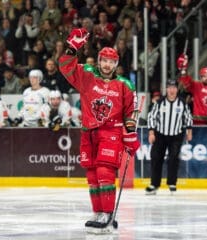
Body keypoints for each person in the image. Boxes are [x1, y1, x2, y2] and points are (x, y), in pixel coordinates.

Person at [59, 28, 140, 233]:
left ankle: (108, 213)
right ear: (99, 60)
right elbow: (65, 68)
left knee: (105, 171)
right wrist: (72, 49)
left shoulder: (125, 84)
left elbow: (132, 111)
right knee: (92, 175)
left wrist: (130, 134)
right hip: (89, 132)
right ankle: (98, 212)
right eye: (104, 60)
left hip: (111, 133)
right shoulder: (86, 74)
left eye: (111, 62)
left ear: (116, 64)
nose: (107, 65)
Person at [146, 80, 193, 195]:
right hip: (160, 134)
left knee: (173, 158)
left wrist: (189, 132)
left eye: (174, 88)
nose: (172, 90)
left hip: (176, 135)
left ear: (177, 89)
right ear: (166, 89)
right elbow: (151, 117)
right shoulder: (160, 102)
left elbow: (188, 117)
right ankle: (154, 184)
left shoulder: (182, 103)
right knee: (156, 158)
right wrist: (151, 133)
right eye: (169, 88)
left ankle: (172, 183)